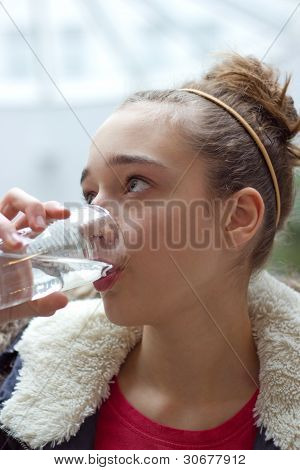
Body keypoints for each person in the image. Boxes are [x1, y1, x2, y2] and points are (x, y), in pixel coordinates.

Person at [0, 53, 299, 450]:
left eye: (136, 184)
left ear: (238, 217)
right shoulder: (23, 381)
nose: (92, 223)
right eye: (90, 195)